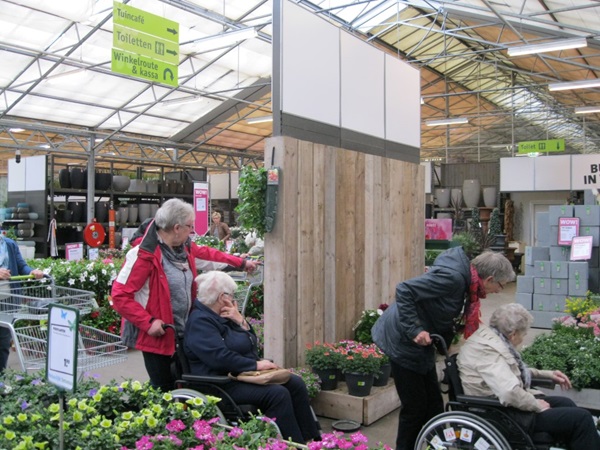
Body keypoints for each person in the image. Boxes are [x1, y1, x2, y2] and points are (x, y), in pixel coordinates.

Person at [371, 247, 515, 450]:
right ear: (489, 278)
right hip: (402, 341)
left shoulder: (466, 282)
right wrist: (415, 330)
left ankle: (433, 445)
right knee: (415, 408)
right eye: (501, 286)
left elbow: (440, 308)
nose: (499, 291)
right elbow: (404, 289)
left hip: (420, 343)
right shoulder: (454, 278)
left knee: (435, 406)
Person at [111, 198, 258, 391]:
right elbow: (120, 296)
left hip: (182, 331)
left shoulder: (183, 248)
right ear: (177, 228)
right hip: (158, 334)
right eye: (190, 226)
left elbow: (208, 256)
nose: (193, 231)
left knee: (184, 384)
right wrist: (148, 323)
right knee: (164, 389)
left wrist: (240, 262)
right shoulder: (143, 255)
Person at [184, 271, 321, 444]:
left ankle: (312, 440)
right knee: (277, 394)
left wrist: (240, 321)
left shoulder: (224, 315)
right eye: (232, 295)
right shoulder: (200, 321)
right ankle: (292, 444)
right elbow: (220, 358)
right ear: (222, 297)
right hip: (219, 382)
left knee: (295, 383)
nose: (234, 299)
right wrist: (255, 365)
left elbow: (251, 343)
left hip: (239, 375)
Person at [457, 303, 600, 448]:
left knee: (565, 403)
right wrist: (536, 404)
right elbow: (508, 392)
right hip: (501, 413)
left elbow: (510, 372)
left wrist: (548, 375)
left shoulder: (494, 338)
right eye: (523, 334)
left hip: (505, 406)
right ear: (513, 335)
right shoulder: (488, 351)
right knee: (581, 419)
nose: (523, 339)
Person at [0, 235, 44, 372]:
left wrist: (32, 271)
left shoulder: (9, 244)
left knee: (3, 341)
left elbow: (21, 265)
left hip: (8, 301)